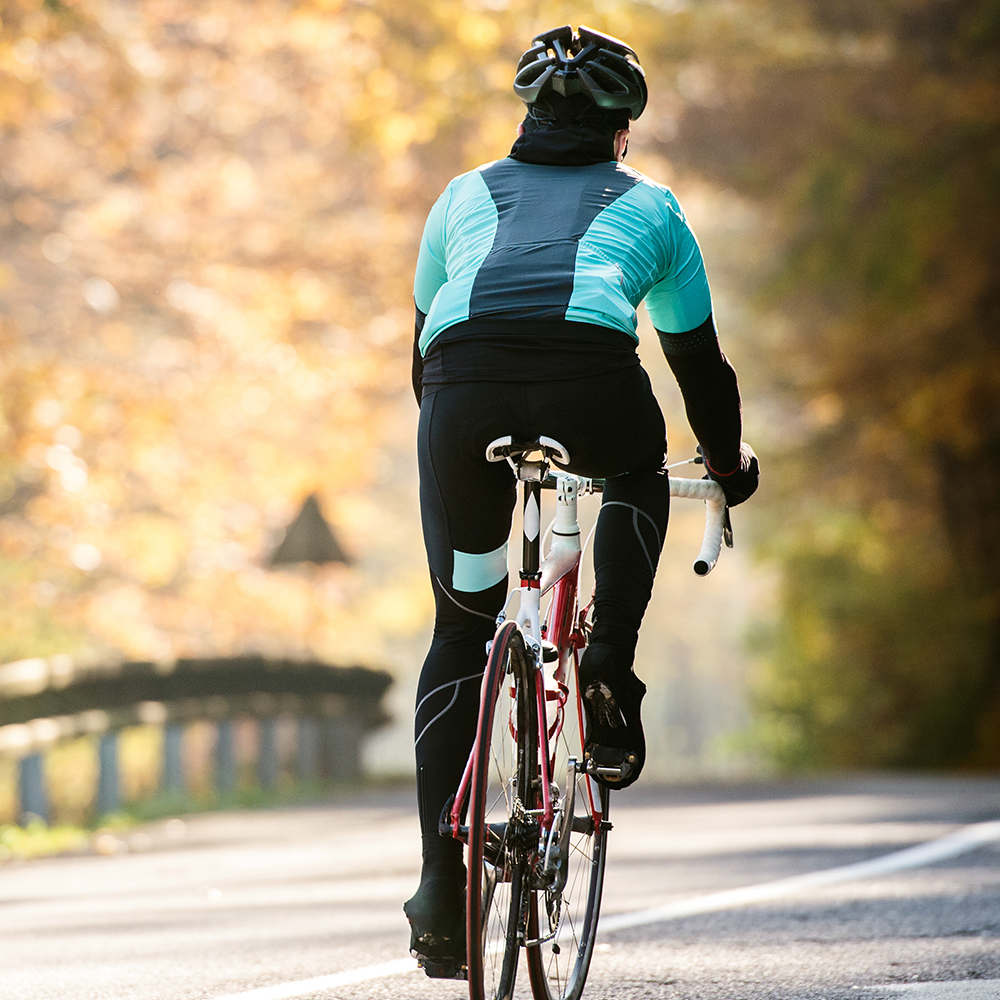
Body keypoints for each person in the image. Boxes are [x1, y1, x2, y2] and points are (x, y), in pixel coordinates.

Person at [403, 25, 759, 978]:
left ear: (526, 117)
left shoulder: (462, 194)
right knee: (637, 472)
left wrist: (456, 443)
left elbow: (424, 337)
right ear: (622, 132)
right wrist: (726, 465)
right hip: (590, 380)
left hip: (461, 389)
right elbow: (699, 367)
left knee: (460, 625)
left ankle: (443, 891)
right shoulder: (655, 208)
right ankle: (608, 661)